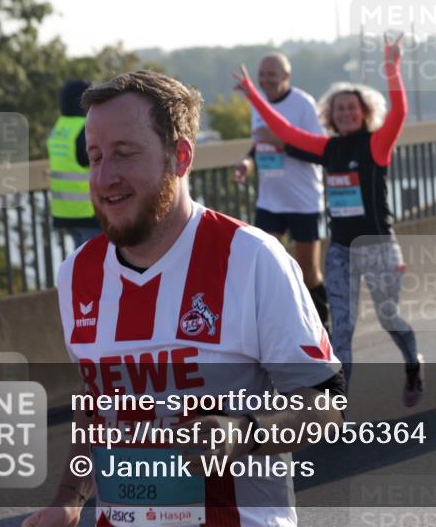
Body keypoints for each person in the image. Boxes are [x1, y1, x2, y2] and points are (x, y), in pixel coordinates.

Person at [23, 71, 344, 527]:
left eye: (124, 153)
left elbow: (326, 403)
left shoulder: (251, 258)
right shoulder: (76, 273)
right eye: (95, 157)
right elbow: (97, 400)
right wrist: (67, 497)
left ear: (180, 156)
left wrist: (243, 433)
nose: (105, 176)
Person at [234, 34, 424, 406]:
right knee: (342, 333)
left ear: (364, 112)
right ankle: (338, 407)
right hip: (341, 251)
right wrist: (253, 95)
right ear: (330, 117)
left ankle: (413, 365)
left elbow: (399, 112)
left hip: (379, 247)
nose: (346, 114)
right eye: (339, 110)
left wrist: (392, 67)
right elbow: (287, 132)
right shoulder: (328, 148)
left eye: (352, 109)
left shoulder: (376, 144)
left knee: (390, 319)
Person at [234, 52, 331, 330]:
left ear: (286, 77)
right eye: (262, 76)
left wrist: (282, 143)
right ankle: (279, 326)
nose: (265, 81)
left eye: (272, 76)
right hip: (270, 200)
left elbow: (319, 151)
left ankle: (323, 324)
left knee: (308, 272)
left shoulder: (303, 104)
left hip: (303, 200)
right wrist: (247, 162)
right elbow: (258, 143)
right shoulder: (257, 101)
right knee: (265, 265)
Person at [47, 79, 101, 247]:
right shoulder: (84, 129)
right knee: (99, 267)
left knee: (82, 263)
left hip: (65, 212)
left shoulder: (59, 128)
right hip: (89, 212)